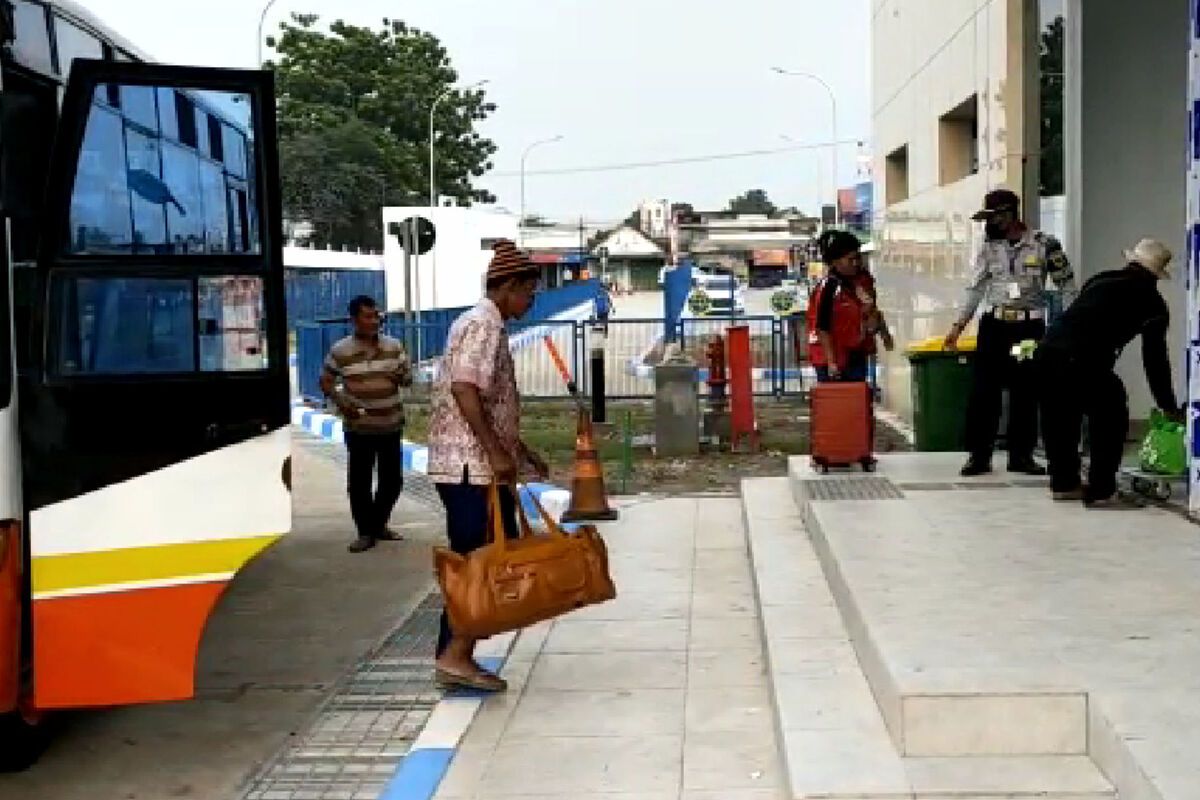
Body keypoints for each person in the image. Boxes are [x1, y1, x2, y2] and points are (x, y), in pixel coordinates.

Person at [427, 240, 551, 692]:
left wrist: (518, 450)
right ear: (509, 287)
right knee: (481, 563)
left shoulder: (483, 322)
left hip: (477, 462)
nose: (532, 301)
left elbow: (490, 401)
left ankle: (455, 652)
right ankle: (455, 655)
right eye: (529, 292)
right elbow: (465, 390)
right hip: (471, 466)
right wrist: (497, 453)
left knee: (486, 558)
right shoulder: (483, 324)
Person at [1037, 238, 1182, 507]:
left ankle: (1064, 483)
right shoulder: (1153, 303)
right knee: (1111, 413)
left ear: (1131, 261)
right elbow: (1155, 360)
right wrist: (1168, 405)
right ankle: (1101, 488)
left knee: (1060, 417)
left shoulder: (1100, 279)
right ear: (1157, 275)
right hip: (1085, 358)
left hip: (1049, 350)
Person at [945, 189, 1073, 477]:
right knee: (983, 392)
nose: (990, 224)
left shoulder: (1045, 245)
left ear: (1010, 214)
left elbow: (1067, 287)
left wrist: (1064, 328)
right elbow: (976, 288)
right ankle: (979, 456)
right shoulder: (988, 247)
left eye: (995, 217)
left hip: (1027, 330)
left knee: (1024, 390)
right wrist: (958, 326)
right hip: (995, 327)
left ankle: (1021, 455)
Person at [320, 295, 412, 553]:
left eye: (376, 316)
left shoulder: (394, 346)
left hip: (391, 425)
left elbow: (407, 379)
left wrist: (401, 376)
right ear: (354, 320)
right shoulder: (341, 351)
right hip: (359, 428)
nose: (375, 321)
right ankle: (365, 533)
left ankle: (378, 524)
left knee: (392, 481)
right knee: (359, 483)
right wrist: (340, 400)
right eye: (368, 317)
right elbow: (326, 381)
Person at [807, 230, 885, 382]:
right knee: (837, 402)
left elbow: (871, 320)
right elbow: (822, 327)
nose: (856, 263)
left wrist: (872, 315)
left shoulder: (862, 282)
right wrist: (831, 363)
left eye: (858, 258)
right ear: (835, 262)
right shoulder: (829, 287)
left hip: (854, 354)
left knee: (857, 401)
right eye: (850, 260)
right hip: (831, 357)